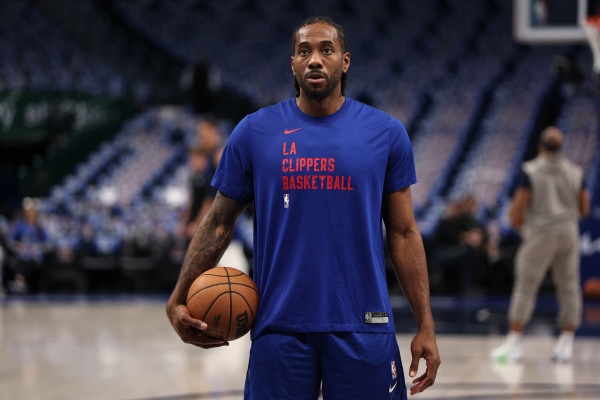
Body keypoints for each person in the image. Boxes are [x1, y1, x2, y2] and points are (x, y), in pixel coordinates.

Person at [167, 16, 440, 399]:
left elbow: (404, 233)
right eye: (304, 51)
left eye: (326, 50)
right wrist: (178, 298)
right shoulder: (254, 131)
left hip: (365, 323)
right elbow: (218, 223)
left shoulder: (386, 133)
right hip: (279, 325)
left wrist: (426, 323)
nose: (315, 59)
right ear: (293, 63)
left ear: (345, 61)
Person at [490, 126, 591, 363]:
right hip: (568, 231)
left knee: (526, 286)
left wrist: (521, 224)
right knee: (569, 287)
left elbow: (518, 208)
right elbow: (584, 207)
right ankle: (566, 344)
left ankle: (514, 344)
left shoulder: (531, 170)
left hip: (540, 231)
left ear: (540, 146)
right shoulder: (576, 171)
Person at [6, 197, 50, 294]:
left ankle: (20, 283)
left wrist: (37, 247)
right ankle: (20, 284)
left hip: (36, 257)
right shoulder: (20, 225)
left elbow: (49, 245)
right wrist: (18, 245)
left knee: (28, 261)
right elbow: (9, 241)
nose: (30, 213)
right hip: (22, 255)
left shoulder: (40, 227)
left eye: (32, 211)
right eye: (28, 211)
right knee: (21, 261)